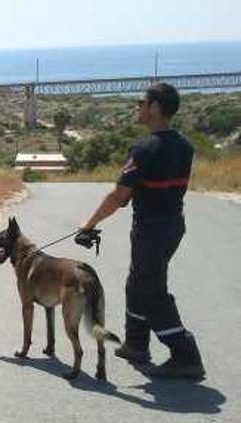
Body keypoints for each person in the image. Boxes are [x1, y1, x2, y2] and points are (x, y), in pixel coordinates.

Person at [77, 83, 205, 380]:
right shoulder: (184, 145)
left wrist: (89, 223)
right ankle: (136, 344)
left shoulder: (145, 149)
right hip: (173, 224)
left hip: (152, 228)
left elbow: (118, 196)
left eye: (142, 102)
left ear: (156, 108)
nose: (138, 107)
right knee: (138, 283)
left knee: (150, 291)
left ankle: (185, 354)